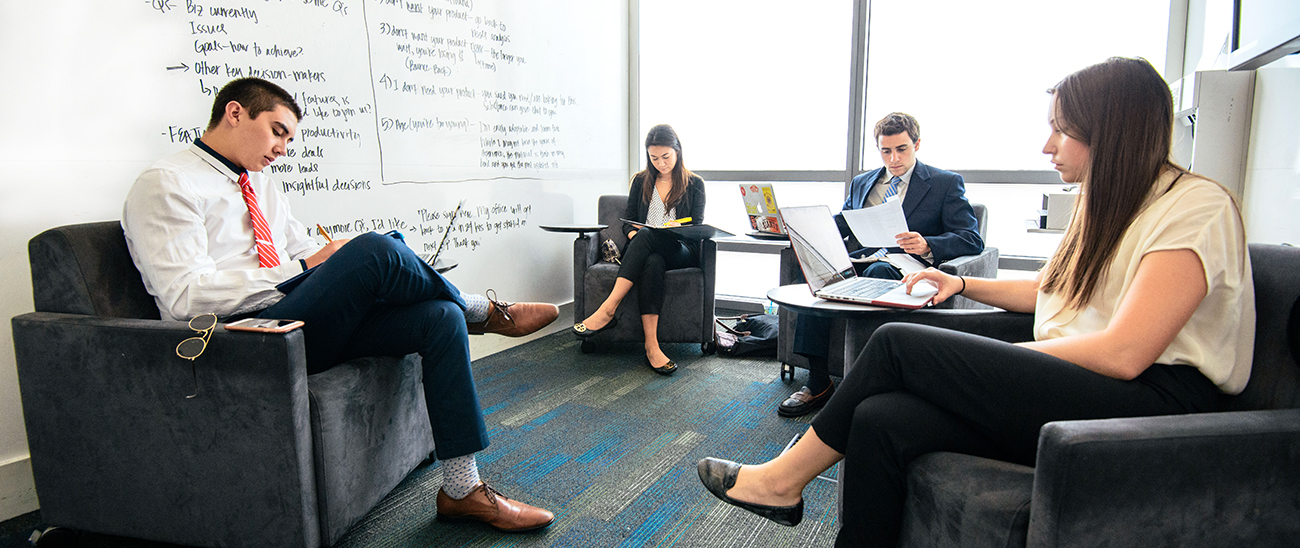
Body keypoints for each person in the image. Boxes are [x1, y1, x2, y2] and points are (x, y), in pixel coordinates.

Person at [698, 57, 1254, 547]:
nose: (1047, 146)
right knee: (879, 419)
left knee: (896, 343)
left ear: (1112, 132)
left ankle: (781, 481)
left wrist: (1004, 358)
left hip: (1149, 404)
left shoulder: (1194, 208)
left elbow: (1126, 352)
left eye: (1062, 131)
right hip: (1085, 380)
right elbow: (1051, 292)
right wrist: (960, 284)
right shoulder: (1106, 204)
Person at [122, 77, 559, 532]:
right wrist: (311, 266)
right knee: (378, 250)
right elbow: (184, 298)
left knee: (438, 316)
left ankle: (461, 488)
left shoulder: (261, 184)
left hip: (297, 319)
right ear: (235, 114)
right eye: (277, 131)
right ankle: (483, 311)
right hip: (242, 339)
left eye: (289, 140)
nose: (283, 149)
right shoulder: (166, 183)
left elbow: (299, 249)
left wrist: (329, 260)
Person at [778, 112, 983, 417]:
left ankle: (869, 384)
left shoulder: (945, 184)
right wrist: (802, 229)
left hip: (904, 268)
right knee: (816, 272)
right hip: (860, 260)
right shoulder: (863, 182)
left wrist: (929, 244)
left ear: (917, 144)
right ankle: (819, 381)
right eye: (886, 151)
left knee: (879, 272)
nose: (894, 159)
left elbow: (971, 239)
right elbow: (842, 226)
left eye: (901, 149)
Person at [571, 124, 706, 375]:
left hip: (679, 248)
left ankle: (608, 308)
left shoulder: (695, 183)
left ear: (677, 151)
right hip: (646, 247)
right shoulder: (641, 181)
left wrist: (678, 227)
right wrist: (636, 233)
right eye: (654, 158)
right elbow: (628, 222)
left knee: (649, 239)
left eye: (666, 157)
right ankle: (652, 347)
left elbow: (697, 226)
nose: (661, 164)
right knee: (651, 259)